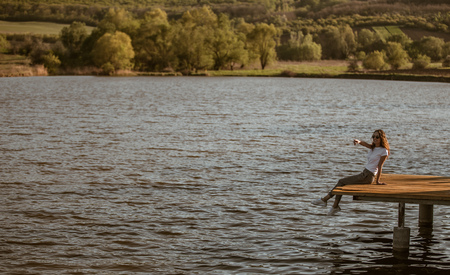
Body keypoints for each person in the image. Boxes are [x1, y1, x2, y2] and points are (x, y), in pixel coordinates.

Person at [312, 129, 390, 216]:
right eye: (373, 137)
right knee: (341, 183)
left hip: (368, 176)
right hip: (364, 173)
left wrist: (377, 181)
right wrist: (359, 141)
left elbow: (380, 166)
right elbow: (366, 144)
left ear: (381, 138)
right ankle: (334, 206)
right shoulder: (373, 147)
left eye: (377, 137)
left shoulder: (383, 151)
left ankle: (325, 200)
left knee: (341, 181)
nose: (374, 138)